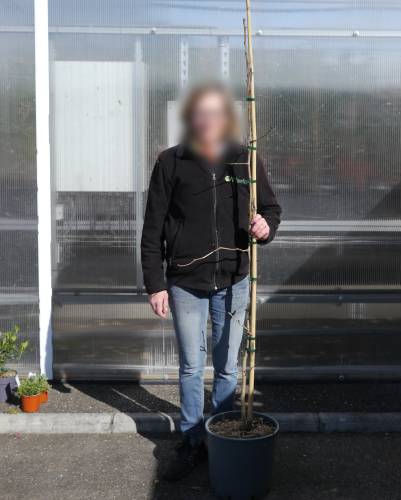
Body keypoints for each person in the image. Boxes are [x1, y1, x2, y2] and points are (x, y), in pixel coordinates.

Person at [141, 83, 281, 481]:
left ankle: (221, 432)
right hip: (185, 280)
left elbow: (271, 208)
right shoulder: (172, 161)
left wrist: (266, 227)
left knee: (227, 368)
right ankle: (191, 440)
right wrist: (155, 283)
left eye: (215, 112)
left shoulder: (245, 161)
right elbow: (152, 228)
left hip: (234, 278)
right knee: (190, 366)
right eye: (200, 113)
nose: (207, 120)